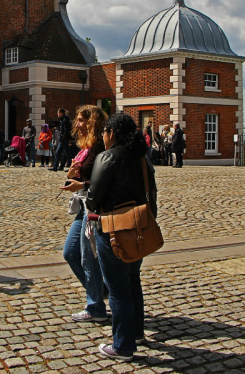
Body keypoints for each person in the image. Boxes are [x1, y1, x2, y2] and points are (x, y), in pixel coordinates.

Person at [85, 113, 158, 361]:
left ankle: (123, 346)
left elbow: (93, 199)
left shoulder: (107, 157)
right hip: (139, 227)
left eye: (104, 132)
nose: (102, 137)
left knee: (117, 289)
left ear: (112, 133)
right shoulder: (142, 159)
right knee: (132, 281)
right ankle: (137, 332)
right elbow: (152, 196)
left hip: (114, 228)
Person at [61, 105, 108, 324]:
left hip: (94, 209)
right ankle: (101, 289)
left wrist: (81, 182)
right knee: (70, 253)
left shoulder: (100, 147)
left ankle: (95, 306)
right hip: (82, 207)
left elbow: (103, 181)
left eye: (81, 120)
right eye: (77, 120)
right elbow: (76, 179)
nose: (77, 124)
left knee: (88, 257)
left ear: (92, 122)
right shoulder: (85, 147)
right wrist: (70, 175)